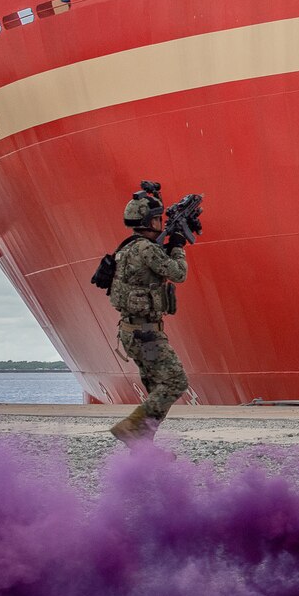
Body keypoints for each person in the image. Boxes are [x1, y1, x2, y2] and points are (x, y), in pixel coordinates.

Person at [106, 189, 195, 444]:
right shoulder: (147, 249)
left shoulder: (128, 248)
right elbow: (178, 273)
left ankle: (143, 449)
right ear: (147, 221)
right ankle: (131, 430)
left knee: (157, 386)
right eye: (157, 218)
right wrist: (177, 245)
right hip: (146, 334)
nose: (161, 223)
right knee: (176, 382)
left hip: (132, 331)